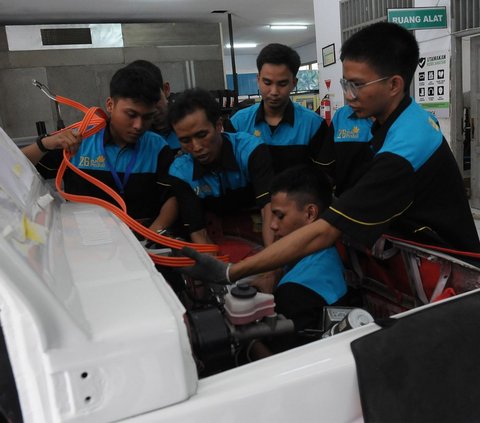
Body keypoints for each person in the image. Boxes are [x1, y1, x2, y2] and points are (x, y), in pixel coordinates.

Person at [179, 22, 480, 285]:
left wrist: (232, 272)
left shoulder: (407, 146)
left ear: (394, 84)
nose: (348, 95)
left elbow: (326, 231)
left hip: (456, 272)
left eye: (357, 85)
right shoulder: (397, 121)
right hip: (420, 259)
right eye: (345, 83)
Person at [32, 65, 177, 233]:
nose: (138, 125)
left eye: (147, 117)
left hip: (142, 245)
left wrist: (152, 236)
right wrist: (45, 144)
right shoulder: (78, 142)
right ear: (110, 105)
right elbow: (12, 168)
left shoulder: (158, 148)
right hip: (85, 241)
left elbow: (171, 197)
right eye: (131, 114)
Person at [252, 164, 346, 352]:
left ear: (310, 213)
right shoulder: (327, 253)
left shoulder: (293, 293)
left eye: (280, 216)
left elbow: (283, 367)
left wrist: (248, 338)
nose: (272, 225)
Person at [167, 88, 275, 246]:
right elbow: (198, 232)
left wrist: (272, 264)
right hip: (217, 234)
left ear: (218, 125)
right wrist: (219, 270)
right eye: (185, 140)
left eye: (202, 135)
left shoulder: (251, 151)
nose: (196, 147)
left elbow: (269, 212)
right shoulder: (180, 173)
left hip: (258, 228)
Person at [225, 43, 329, 173]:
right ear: (258, 80)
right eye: (267, 82)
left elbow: (323, 177)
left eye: (282, 83)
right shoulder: (238, 123)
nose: (274, 91)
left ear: (294, 83)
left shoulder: (314, 125)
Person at [126, 59, 181, 154]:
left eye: (154, 99)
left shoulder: (189, 124)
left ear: (166, 89)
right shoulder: (133, 138)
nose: (150, 109)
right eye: (140, 103)